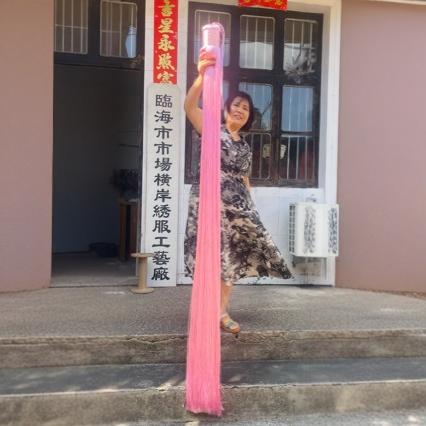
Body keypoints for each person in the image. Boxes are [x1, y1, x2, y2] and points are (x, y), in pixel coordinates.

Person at [184, 50, 293, 335]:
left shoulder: (244, 146)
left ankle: (221, 311)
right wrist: (200, 77)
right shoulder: (210, 128)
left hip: (237, 209)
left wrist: (251, 207)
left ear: (248, 117)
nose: (240, 110)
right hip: (208, 203)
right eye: (236, 104)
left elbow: (244, 178)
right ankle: (204, 307)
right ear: (225, 108)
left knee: (233, 256)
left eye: (245, 108)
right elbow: (189, 106)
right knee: (208, 256)